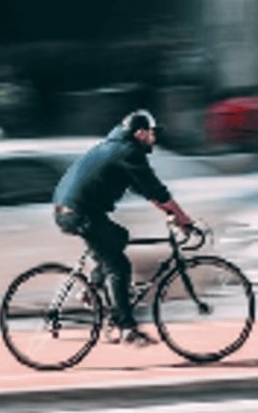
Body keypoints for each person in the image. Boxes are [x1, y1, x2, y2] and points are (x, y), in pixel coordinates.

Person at [52, 109, 194, 347]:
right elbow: (155, 189)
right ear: (140, 134)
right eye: (151, 134)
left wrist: (170, 212)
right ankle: (127, 328)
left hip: (71, 210)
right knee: (119, 266)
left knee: (119, 236)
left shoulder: (114, 147)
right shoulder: (129, 152)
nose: (154, 139)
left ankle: (92, 288)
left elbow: (146, 190)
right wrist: (183, 218)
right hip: (81, 213)